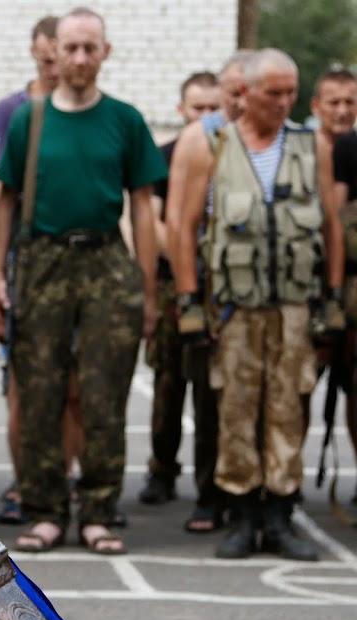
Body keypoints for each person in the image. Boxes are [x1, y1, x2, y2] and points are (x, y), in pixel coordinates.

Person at [0, 7, 166, 555]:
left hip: (107, 262)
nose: (80, 58)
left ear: (105, 53)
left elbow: (142, 206)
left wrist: (147, 288)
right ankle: (44, 510)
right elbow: (6, 201)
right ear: (54, 52)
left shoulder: (126, 120)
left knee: (104, 393)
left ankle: (98, 511)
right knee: (39, 390)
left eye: (91, 48)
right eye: (71, 48)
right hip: (43, 261)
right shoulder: (31, 119)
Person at [174, 49, 344, 561]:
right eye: (274, 93)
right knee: (238, 410)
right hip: (235, 311)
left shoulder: (310, 144)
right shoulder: (212, 146)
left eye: (291, 92)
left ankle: (281, 513)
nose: (285, 102)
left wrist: (332, 299)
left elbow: (331, 228)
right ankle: (243, 515)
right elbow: (184, 227)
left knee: (289, 408)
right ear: (244, 93)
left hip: (294, 308)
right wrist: (188, 302)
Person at [0, 15, 86, 526]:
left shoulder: (89, 111)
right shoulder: (13, 111)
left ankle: (63, 478)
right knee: (23, 385)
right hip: (28, 261)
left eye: (59, 57)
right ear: (36, 54)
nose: (54, 66)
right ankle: (26, 479)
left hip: (79, 267)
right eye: (47, 57)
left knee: (72, 386)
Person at [139, 71, 223, 536]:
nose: (206, 117)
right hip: (176, 285)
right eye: (198, 108)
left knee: (211, 393)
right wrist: (188, 256)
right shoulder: (165, 156)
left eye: (214, 108)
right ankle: (161, 469)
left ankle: (209, 487)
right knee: (168, 385)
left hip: (220, 289)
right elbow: (156, 225)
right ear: (181, 110)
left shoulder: (230, 153)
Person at [321, 68, 357, 506]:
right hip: (335, 289)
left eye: (351, 101)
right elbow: (333, 224)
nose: (344, 110)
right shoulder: (347, 150)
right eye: (335, 101)